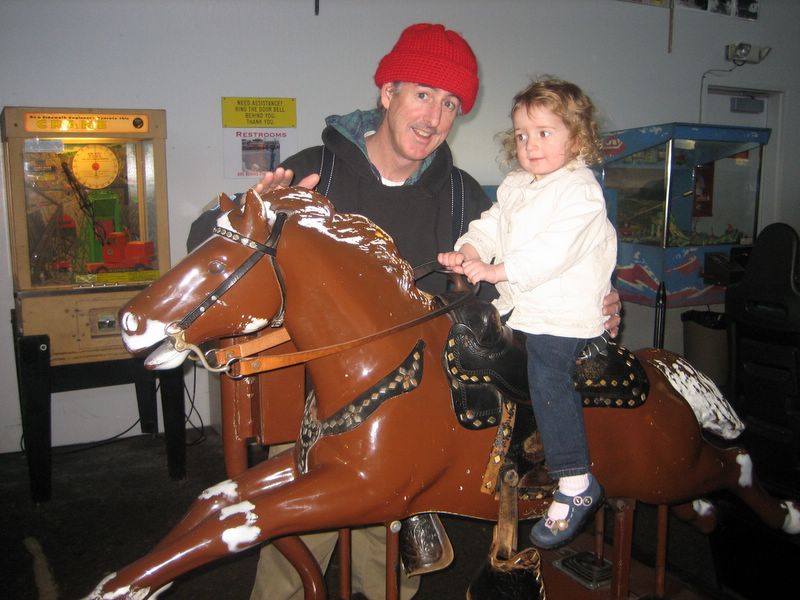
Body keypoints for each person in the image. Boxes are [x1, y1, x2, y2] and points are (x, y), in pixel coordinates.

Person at [187, 24, 622, 599]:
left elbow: (508, 285)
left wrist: (587, 300)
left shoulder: (462, 194)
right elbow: (210, 249)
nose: (434, 117)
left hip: (409, 417)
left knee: (386, 568)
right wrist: (252, 209)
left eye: (450, 104)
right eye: (422, 94)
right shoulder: (319, 170)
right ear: (387, 93)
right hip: (311, 404)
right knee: (292, 558)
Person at [438, 77, 616, 550]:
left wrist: (496, 270)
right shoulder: (517, 184)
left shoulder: (580, 191)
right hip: (520, 308)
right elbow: (492, 224)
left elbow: (551, 253)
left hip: (561, 314)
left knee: (547, 375)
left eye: (544, 133)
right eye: (521, 135)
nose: (530, 145)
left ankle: (575, 480)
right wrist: (469, 250)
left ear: (576, 138)